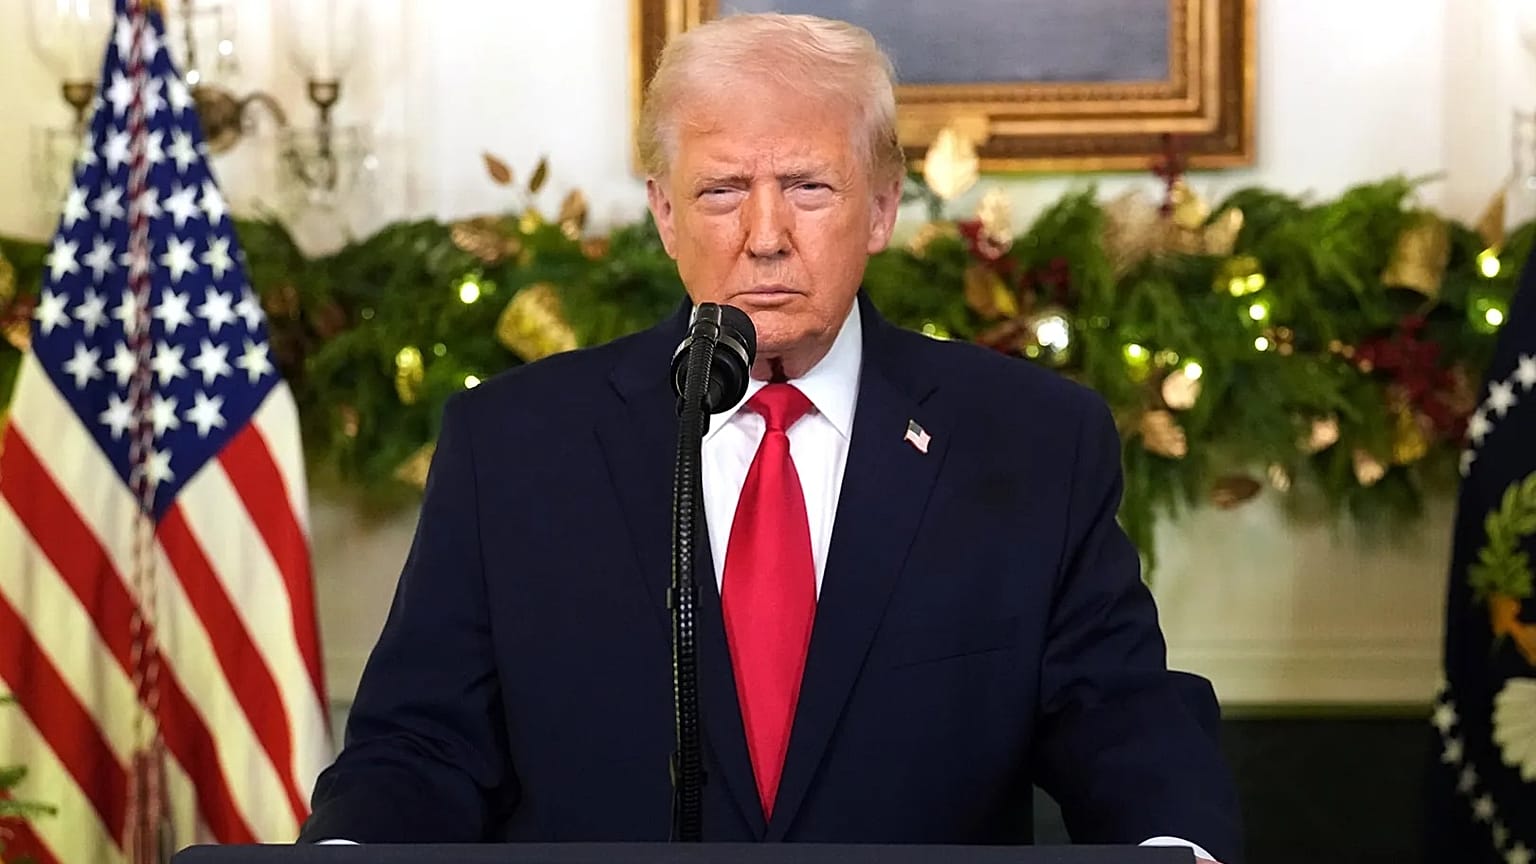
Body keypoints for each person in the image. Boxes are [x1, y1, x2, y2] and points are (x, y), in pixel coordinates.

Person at [300, 12, 1241, 863]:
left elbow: (1115, 711)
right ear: (664, 215)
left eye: (807, 186)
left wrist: (1174, 845)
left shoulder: (1031, 438)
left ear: (880, 209)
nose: (764, 235)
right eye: (719, 191)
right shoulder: (514, 445)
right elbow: (423, 744)